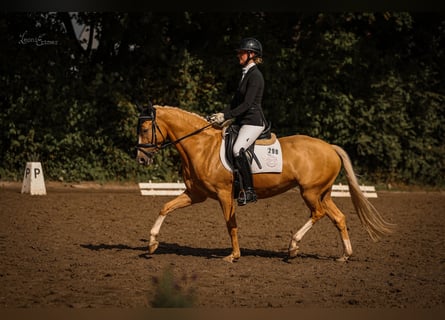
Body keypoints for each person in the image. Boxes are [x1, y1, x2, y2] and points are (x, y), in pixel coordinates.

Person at [210, 37, 267, 206]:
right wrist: (221, 114)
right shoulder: (245, 74)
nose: (239, 56)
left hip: (253, 122)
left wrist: (227, 117)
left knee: (237, 149)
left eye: (242, 53)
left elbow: (247, 104)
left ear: (251, 54)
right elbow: (235, 102)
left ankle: (249, 191)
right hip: (243, 121)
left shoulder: (255, 75)